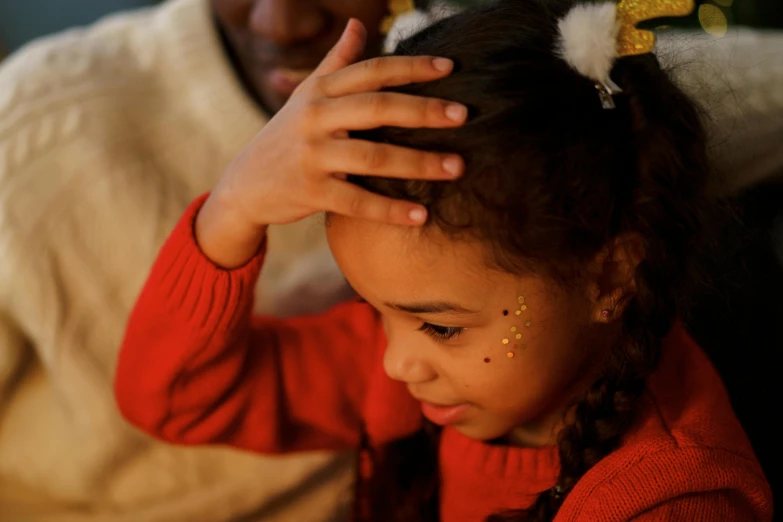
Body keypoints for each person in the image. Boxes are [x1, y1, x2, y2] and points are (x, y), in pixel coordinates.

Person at [1, 0, 780, 520]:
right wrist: (231, 212)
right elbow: (174, 400)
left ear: (610, 277)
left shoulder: (670, 501)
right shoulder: (404, 367)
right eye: (375, 309)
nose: (396, 361)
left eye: (436, 327)